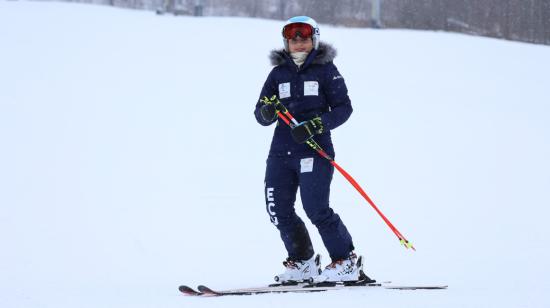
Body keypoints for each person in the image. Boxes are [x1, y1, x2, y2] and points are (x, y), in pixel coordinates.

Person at [254, 16, 366, 283]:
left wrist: (317, 124)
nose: (298, 42)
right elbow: (259, 114)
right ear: (286, 42)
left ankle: (346, 261)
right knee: (278, 210)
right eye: (293, 38)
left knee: (316, 208)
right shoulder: (277, 74)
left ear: (313, 39)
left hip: (314, 151)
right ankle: (303, 262)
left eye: (304, 37)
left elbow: (344, 108)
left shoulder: (326, 70)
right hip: (281, 153)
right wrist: (267, 111)